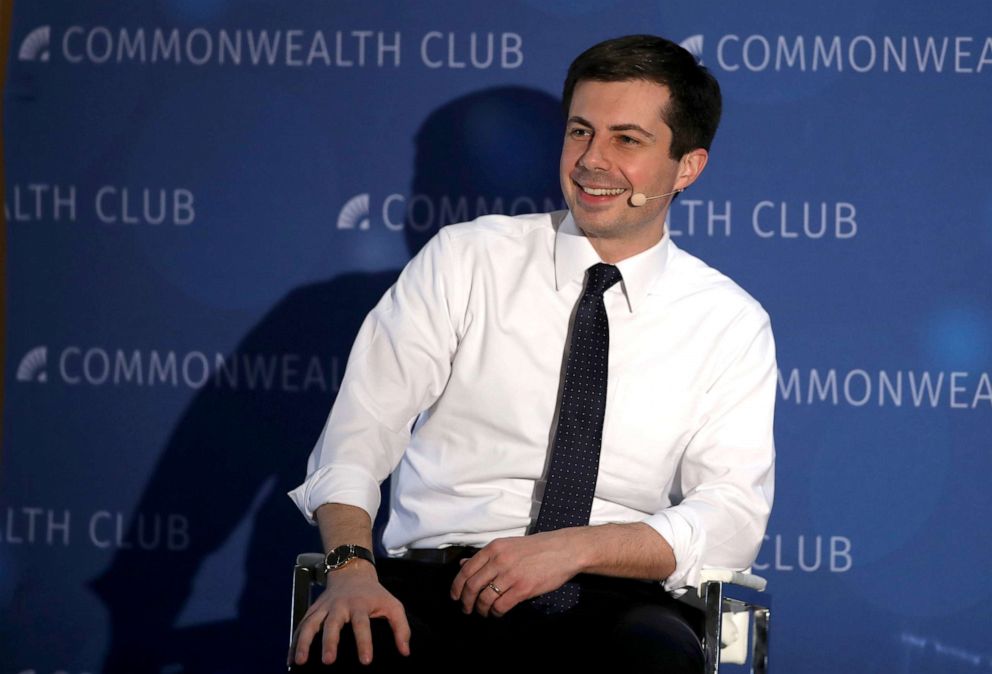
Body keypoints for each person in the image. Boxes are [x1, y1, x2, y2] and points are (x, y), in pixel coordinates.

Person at [288, 34, 775, 673]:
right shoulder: (465, 260)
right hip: (438, 587)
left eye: (627, 140)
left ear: (688, 166)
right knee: (352, 640)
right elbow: (357, 436)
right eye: (580, 132)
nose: (591, 161)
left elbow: (732, 517)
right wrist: (350, 569)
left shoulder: (728, 322)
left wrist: (574, 548)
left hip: (619, 604)